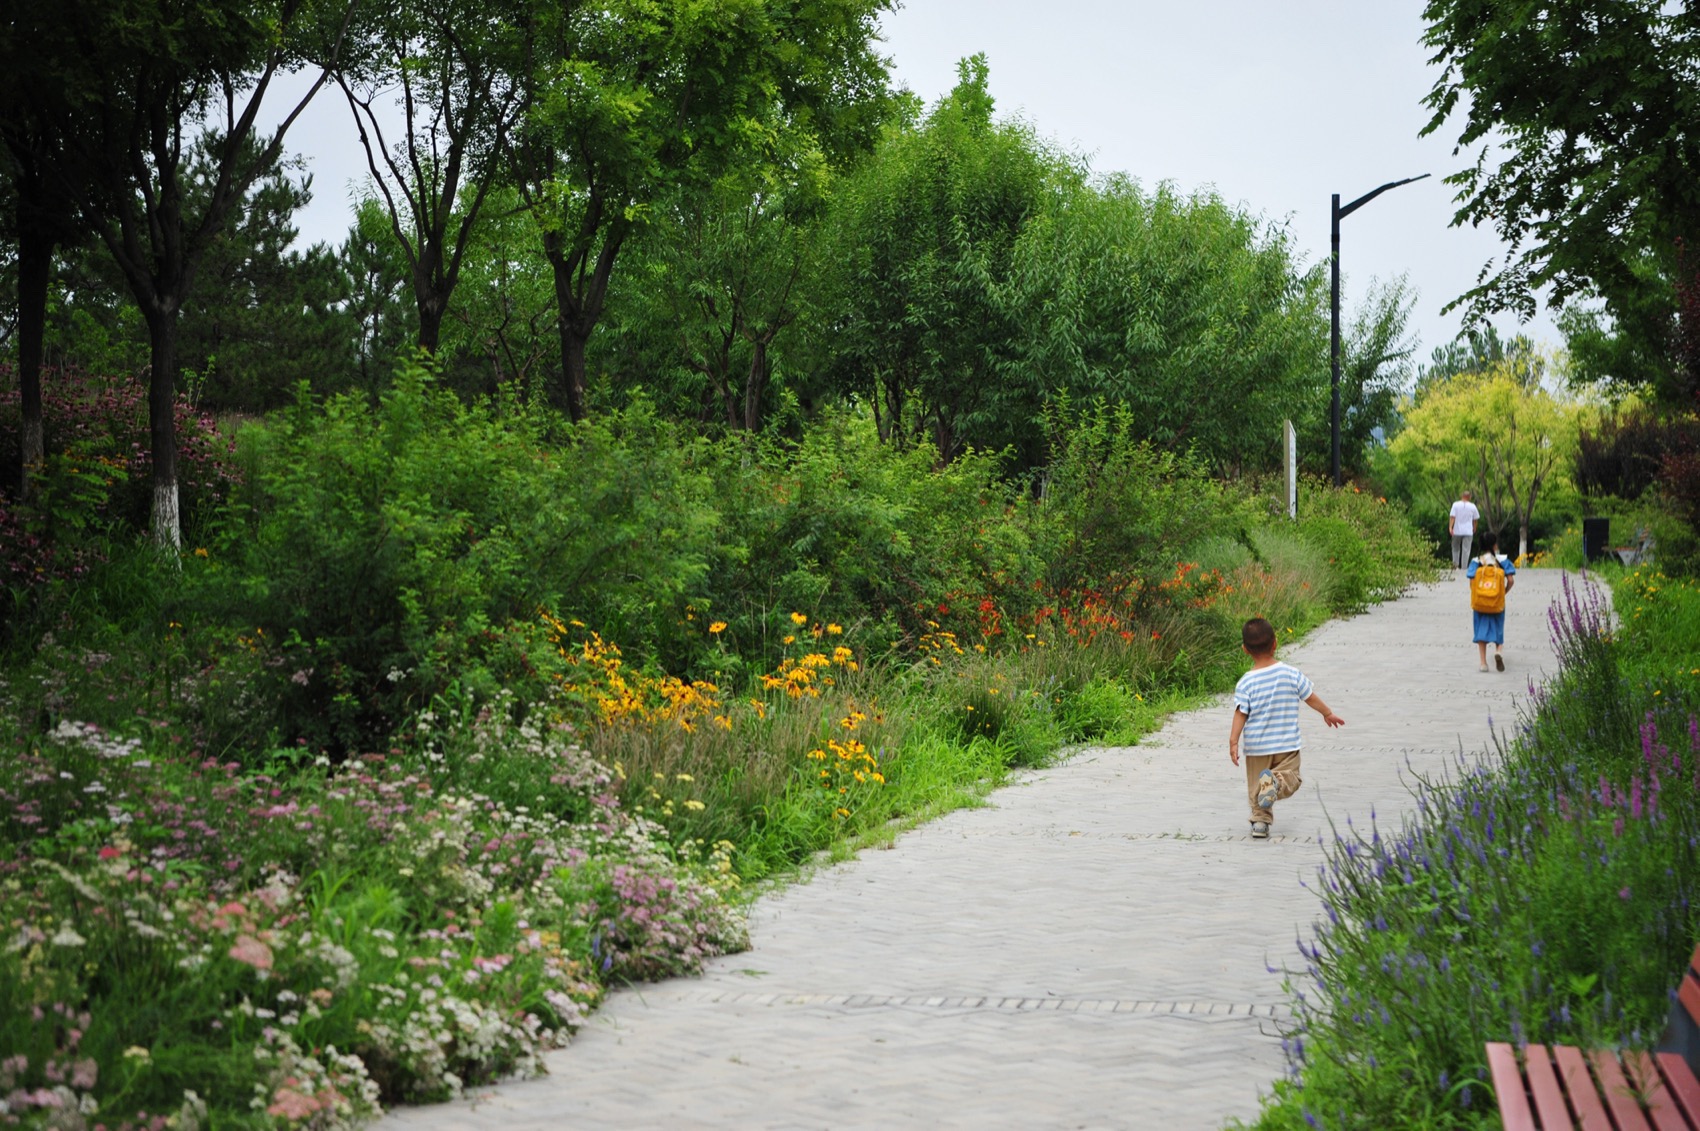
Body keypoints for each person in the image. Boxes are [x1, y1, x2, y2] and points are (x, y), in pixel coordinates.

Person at [1227, 617, 1345, 839]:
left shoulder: (1246, 682)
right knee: (1291, 777)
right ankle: (1277, 782)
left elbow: (1240, 713)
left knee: (1257, 787)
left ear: (1244, 650)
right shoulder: (1291, 673)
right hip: (1286, 743)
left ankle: (1260, 823)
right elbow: (1310, 697)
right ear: (1275, 643)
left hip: (1257, 747)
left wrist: (1233, 741)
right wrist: (1327, 713)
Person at [1466, 529, 1516, 672]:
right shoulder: (1502, 560)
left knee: (1480, 630)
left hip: (1480, 603)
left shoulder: (1476, 561)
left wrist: (1480, 595)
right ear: (1495, 545)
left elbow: (1471, 582)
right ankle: (1498, 651)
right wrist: (1502, 593)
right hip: (1497, 602)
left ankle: (1483, 663)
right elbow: (1511, 580)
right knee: (1498, 629)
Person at [1448, 490, 1480, 570]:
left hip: (1457, 530)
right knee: (1466, 549)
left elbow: (1452, 517)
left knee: (1455, 548)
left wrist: (1450, 527)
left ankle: (1455, 565)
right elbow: (1475, 519)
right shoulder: (1472, 506)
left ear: (1461, 496)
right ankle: (1464, 567)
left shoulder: (1455, 505)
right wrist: (1474, 527)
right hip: (1468, 531)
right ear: (1469, 497)